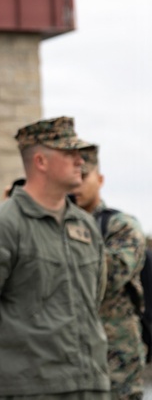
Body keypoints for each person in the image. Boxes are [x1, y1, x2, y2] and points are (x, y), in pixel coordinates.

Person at [0, 116, 110, 398]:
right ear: (40, 161)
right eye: (69, 153)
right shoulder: (0, 227)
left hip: (89, 384)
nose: (81, 161)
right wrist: (15, 354)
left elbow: (93, 298)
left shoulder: (86, 226)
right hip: (30, 388)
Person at [71, 146, 147, 400]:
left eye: (84, 176)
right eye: (71, 178)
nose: (76, 184)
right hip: (67, 356)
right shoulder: (52, 226)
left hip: (116, 358)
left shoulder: (121, 226)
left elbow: (110, 276)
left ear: (100, 179)